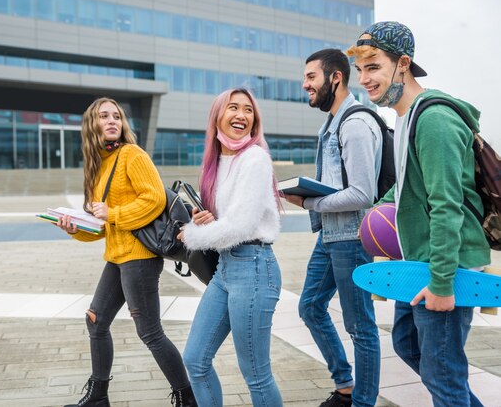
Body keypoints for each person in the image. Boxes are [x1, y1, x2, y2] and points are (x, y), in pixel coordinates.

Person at [347, 21, 490, 406]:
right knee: (408, 344)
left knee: (443, 376)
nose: (364, 79)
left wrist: (443, 283)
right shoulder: (404, 118)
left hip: (445, 265)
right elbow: (409, 183)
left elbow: (447, 205)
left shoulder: (434, 119)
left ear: (403, 64)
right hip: (418, 260)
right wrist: (377, 209)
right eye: (360, 70)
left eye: (373, 66)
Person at [57, 97, 196, 407]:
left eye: (116, 116)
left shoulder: (132, 154)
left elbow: (155, 200)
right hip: (117, 257)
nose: (112, 121)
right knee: (96, 320)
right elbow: (103, 227)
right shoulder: (99, 167)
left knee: (149, 332)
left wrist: (114, 213)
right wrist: (74, 229)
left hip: (140, 259)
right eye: (104, 116)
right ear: (92, 125)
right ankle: (98, 398)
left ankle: (188, 399)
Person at [283, 49, 382, 407]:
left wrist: (309, 202)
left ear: (335, 78)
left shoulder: (354, 124)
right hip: (331, 235)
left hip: (352, 238)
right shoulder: (333, 122)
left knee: (361, 327)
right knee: (310, 307)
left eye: (311, 76)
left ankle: (363, 402)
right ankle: (345, 384)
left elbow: (361, 193)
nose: (305, 84)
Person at [178, 88, 283, 407]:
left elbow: (240, 226)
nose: (241, 115)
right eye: (233, 108)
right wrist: (204, 219)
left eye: (248, 110)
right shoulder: (217, 163)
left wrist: (192, 236)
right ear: (217, 117)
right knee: (195, 360)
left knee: (256, 374)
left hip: (254, 268)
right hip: (226, 270)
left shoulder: (254, 158)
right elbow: (227, 220)